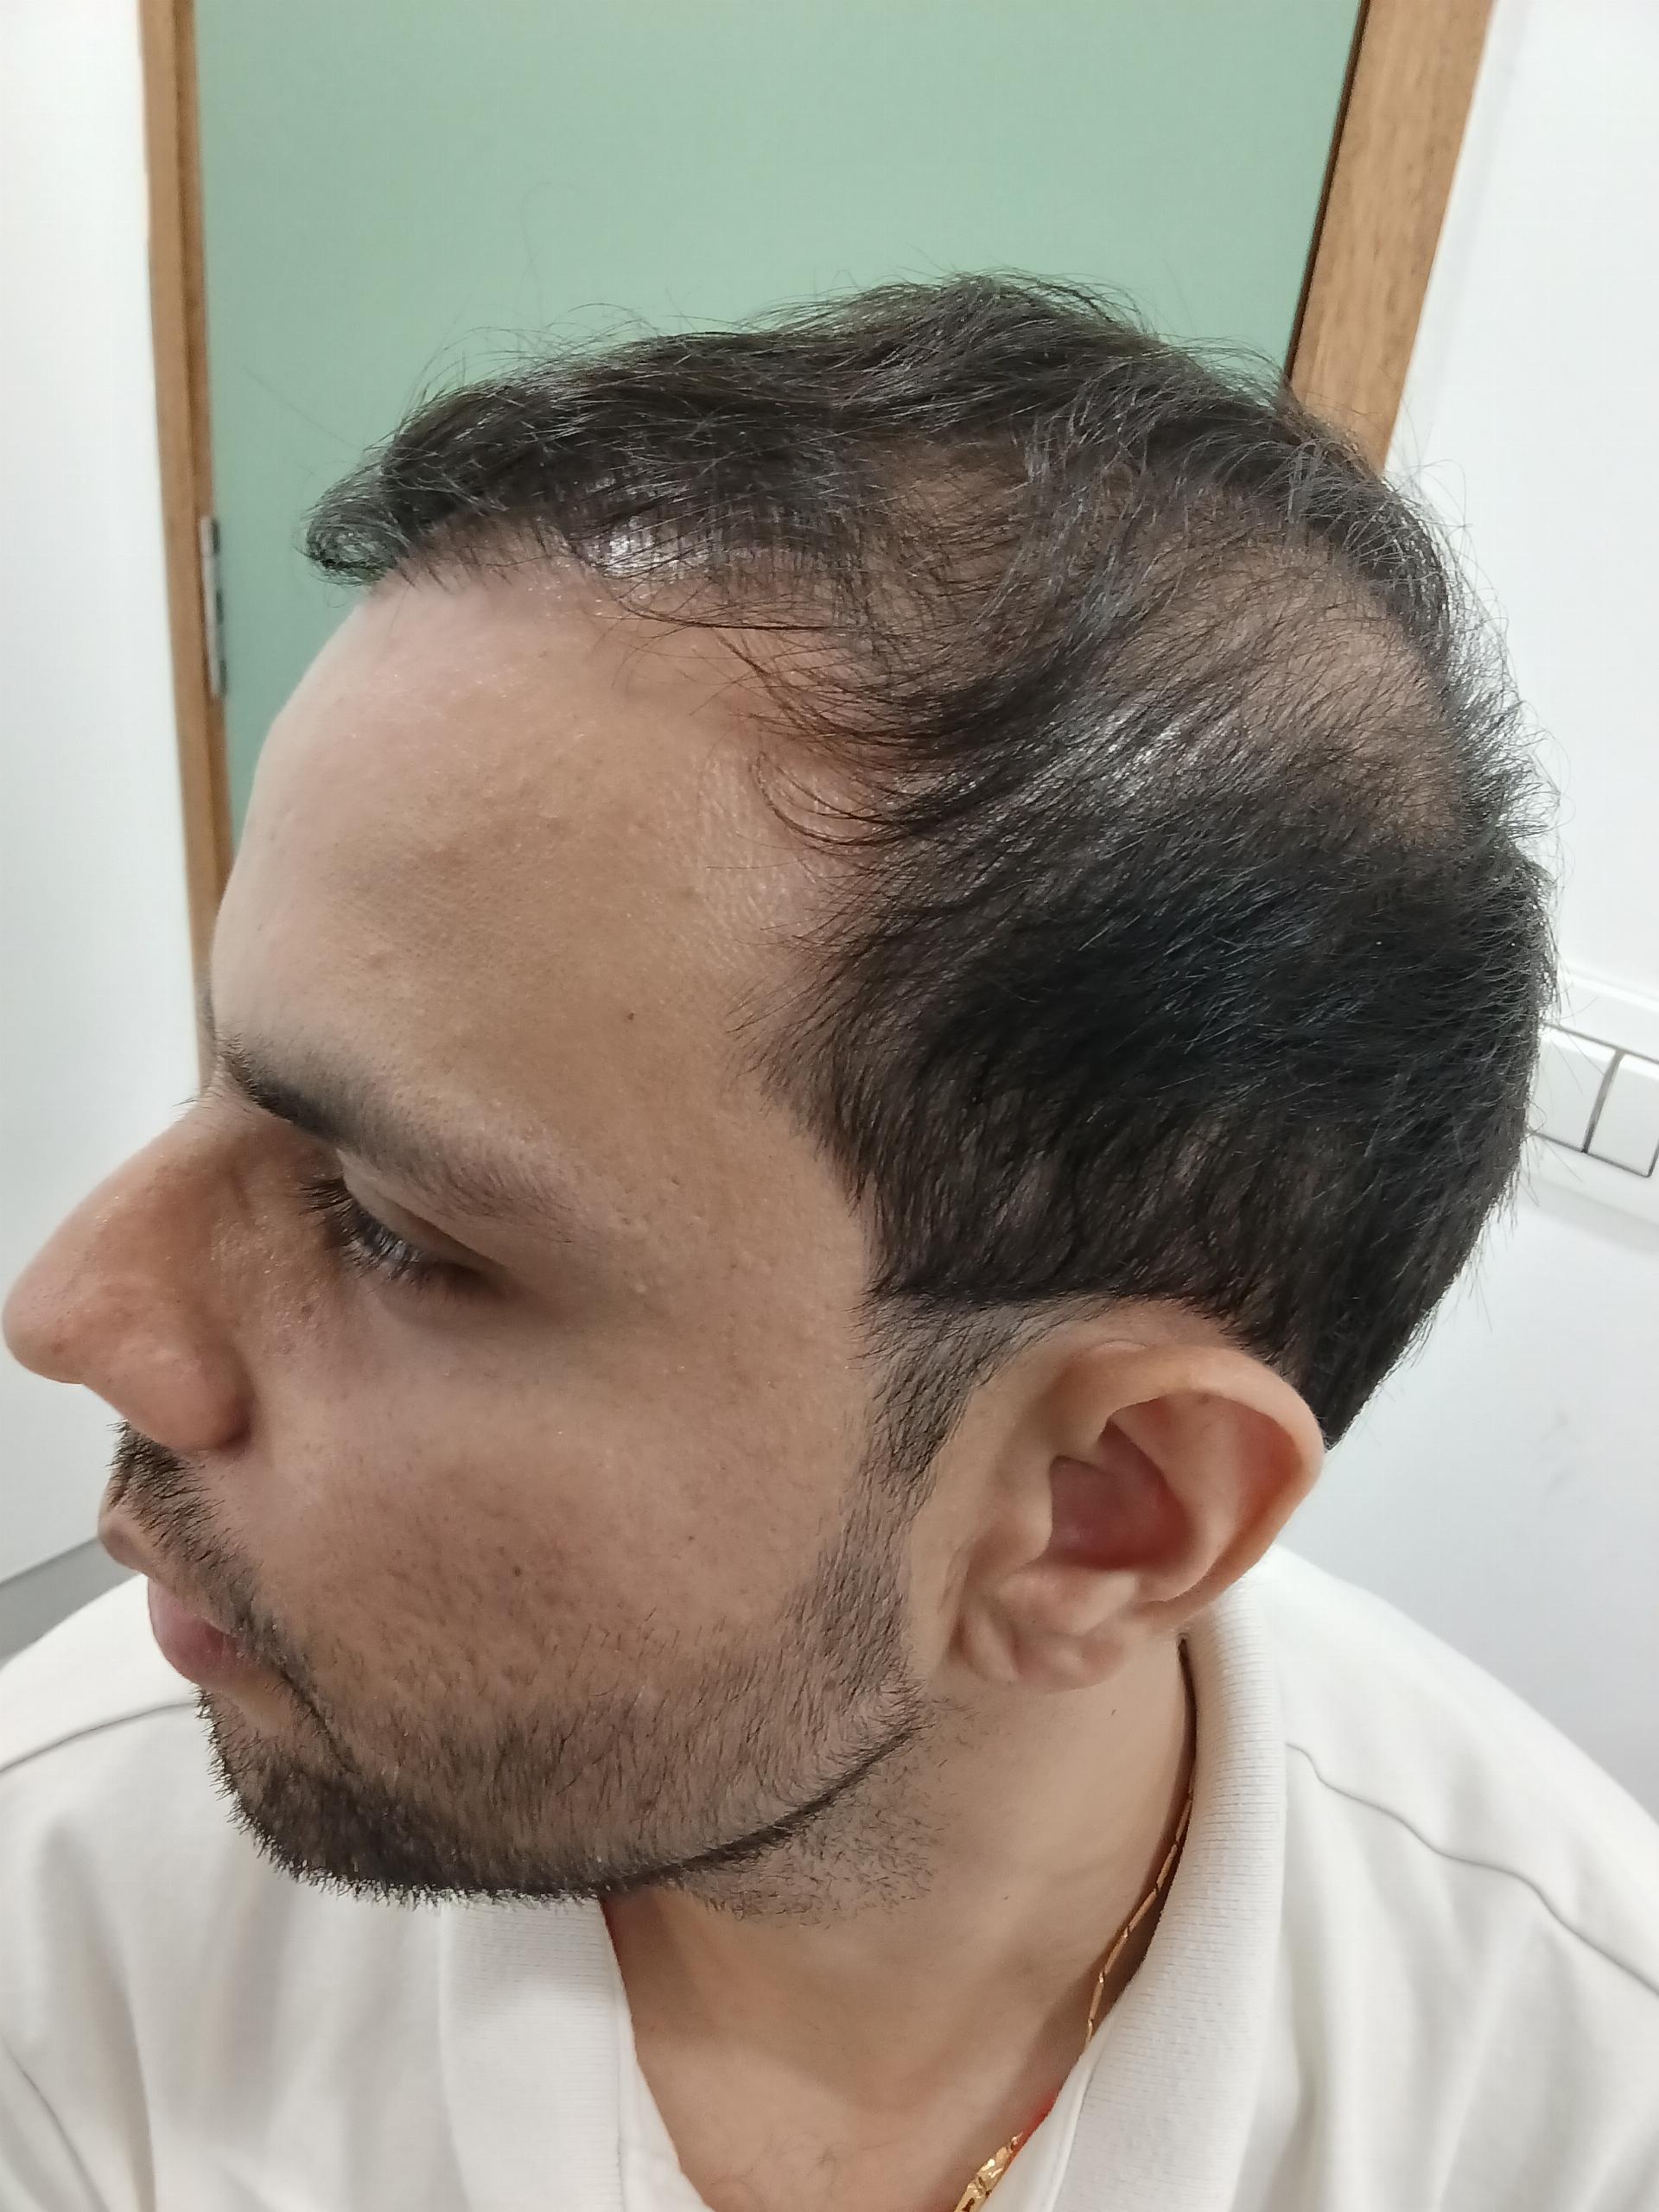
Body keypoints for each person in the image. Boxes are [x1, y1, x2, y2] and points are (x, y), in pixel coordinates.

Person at [3, 276, 1656, 2212]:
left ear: (1102, 1509)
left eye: (386, 1227)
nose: (72, 1307)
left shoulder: (1571, 2100)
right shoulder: (66, 1905)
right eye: (224, 1077)